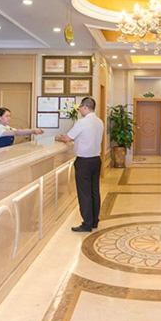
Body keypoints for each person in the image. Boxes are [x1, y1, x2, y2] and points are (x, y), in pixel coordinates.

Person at [55, 96, 104, 232]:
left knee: (84, 193)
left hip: (84, 161)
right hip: (96, 160)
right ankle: (94, 221)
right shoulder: (99, 122)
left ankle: (87, 224)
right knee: (94, 191)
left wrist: (58, 137)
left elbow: (67, 138)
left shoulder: (82, 122)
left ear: (85, 107)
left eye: (81, 107)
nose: (80, 110)